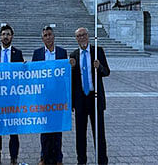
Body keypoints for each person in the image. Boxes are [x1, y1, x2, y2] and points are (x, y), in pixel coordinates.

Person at [69, 27, 110, 165]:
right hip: (80, 100)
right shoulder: (73, 55)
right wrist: (71, 68)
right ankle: (81, 161)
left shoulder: (98, 51)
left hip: (95, 98)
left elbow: (107, 72)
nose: (82, 38)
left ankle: (102, 161)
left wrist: (100, 67)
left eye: (84, 35)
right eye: (79, 36)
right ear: (76, 39)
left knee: (99, 134)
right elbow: (71, 81)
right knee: (80, 134)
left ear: (88, 36)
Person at [0, 24, 24, 165]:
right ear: (0, 36)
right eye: (3, 34)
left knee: (13, 130)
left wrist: (25, 67)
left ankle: (13, 157)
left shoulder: (18, 53)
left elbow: (23, 75)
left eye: (8, 34)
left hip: (13, 98)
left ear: (12, 36)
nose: (6, 37)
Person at [32, 26, 67, 165]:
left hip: (58, 96)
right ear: (42, 39)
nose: (48, 37)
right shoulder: (37, 54)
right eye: (45, 35)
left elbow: (66, 76)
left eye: (50, 34)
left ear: (54, 36)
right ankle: (44, 157)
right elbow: (33, 75)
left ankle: (58, 157)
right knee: (45, 129)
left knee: (58, 129)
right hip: (43, 97)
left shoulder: (62, 53)